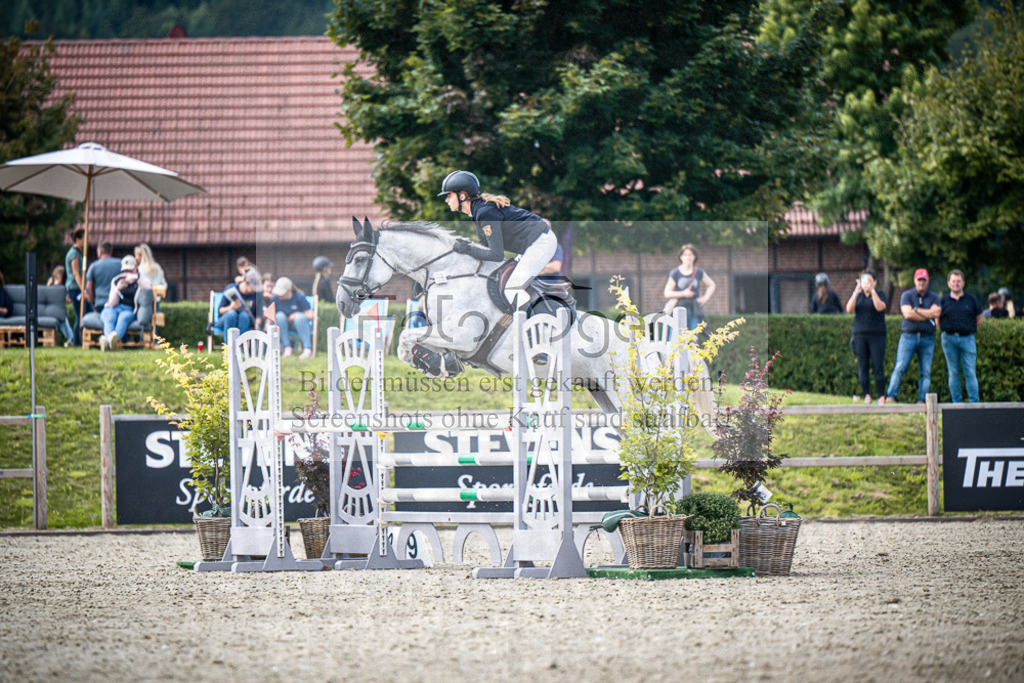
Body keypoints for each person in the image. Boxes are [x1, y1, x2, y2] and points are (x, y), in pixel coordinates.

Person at [438, 170, 557, 309]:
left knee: (512, 289)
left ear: (462, 196)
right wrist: (468, 246)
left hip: (541, 242)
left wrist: (468, 249)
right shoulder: (477, 212)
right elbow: (485, 246)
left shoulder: (484, 212)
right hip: (531, 245)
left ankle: (531, 326)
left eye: (449, 195)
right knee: (503, 284)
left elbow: (496, 255)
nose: (446, 200)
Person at [885, 269, 941, 404]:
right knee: (900, 367)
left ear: (927, 281)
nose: (921, 282)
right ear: (915, 281)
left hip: (927, 338)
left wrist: (917, 310)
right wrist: (928, 314)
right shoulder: (907, 295)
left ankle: (922, 399)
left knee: (925, 372)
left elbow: (937, 313)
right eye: (919, 280)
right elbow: (908, 314)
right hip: (908, 337)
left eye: (924, 280)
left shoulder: (934, 297)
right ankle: (891, 396)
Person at [939, 269, 983, 403]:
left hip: (967, 339)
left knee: (970, 371)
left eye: (959, 281)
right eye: (953, 281)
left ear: (963, 283)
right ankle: (956, 404)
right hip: (949, 339)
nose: (956, 284)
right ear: (949, 284)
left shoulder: (972, 299)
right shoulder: (943, 300)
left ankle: (974, 403)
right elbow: (937, 320)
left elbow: (979, 318)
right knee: (953, 373)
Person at [846, 270, 889, 404]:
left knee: (878, 366)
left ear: (875, 282)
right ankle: (867, 395)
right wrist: (856, 291)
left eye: (870, 281)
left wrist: (873, 291)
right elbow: (849, 309)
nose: (867, 284)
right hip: (860, 335)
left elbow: (880, 307)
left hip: (877, 335)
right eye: (864, 281)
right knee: (862, 366)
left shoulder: (880, 294)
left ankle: (881, 395)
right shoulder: (858, 296)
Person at [99, 255, 151, 351]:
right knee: (109, 318)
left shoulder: (141, 279)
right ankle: (109, 341)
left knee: (123, 318)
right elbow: (111, 304)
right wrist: (117, 290)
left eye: (130, 270)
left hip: (128, 309)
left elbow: (149, 289)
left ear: (136, 268)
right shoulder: (117, 280)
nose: (127, 273)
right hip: (113, 308)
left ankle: (110, 341)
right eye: (125, 271)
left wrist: (137, 278)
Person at [663, 243, 716, 330]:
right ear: (681, 257)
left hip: (694, 309)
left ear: (694, 257)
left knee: (694, 338)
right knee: (676, 337)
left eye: (690, 255)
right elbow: (667, 293)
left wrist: (706, 298)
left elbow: (712, 285)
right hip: (678, 309)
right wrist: (683, 293)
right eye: (685, 255)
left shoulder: (698, 272)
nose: (688, 257)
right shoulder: (675, 273)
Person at [270, 277, 313, 358]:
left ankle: (307, 349)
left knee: (300, 317)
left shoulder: (299, 297)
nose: (279, 295)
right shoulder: (274, 300)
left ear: (289, 290)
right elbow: (269, 318)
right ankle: (287, 347)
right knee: (279, 316)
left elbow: (311, 315)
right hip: (281, 326)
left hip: (298, 326)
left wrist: (297, 314)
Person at [216, 270, 263, 335]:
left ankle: (242, 344)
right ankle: (228, 344)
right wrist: (231, 307)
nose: (255, 290)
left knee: (244, 315)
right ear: (246, 283)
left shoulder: (258, 294)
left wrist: (257, 325)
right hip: (228, 319)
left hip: (246, 320)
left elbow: (259, 315)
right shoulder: (231, 289)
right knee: (232, 314)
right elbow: (220, 310)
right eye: (253, 288)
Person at [84, 241, 123, 314]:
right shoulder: (120, 263)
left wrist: (92, 303)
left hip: (100, 303)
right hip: (117, 303)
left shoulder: (93, 266)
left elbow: (88, 288)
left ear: (100, 252)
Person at [64, 227, 86, 345]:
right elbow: (76, 273)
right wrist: (84, 291)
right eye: (84, 238)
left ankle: (76, 341)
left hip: (78, 288)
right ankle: (76, 342)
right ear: (78, 239)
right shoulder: (74, 254)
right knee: (80, 316)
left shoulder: (78, 253)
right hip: (75, 288)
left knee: (80, 316)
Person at [46, 265, 76, 345]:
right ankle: (71, 339)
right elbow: (67, 300)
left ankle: (70, 339)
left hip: (55, 314)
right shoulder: (58, 289)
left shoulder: (50, 287)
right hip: (57, 315)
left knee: (64, 321)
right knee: (63, 321)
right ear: (60, 277)